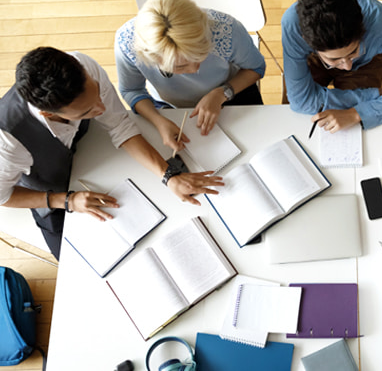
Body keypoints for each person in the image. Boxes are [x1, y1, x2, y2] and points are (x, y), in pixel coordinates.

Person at [0, 47, 223, 260]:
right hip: (51, 189)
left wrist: (169, 176)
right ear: (48, 114)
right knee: (81, 261)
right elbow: (3, 196)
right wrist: (68, 201)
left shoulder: (83, 65)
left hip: (90, 150)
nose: (102, 108)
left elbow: (119, 126)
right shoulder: (8, 141)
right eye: (88, 111)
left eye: (97, 93)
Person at [115, 0, 266, 150]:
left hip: (233, 92)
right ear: (152, 58)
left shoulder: (226, 30)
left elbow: (256, 67)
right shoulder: (127, 45)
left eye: (202, 54)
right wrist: (158, 121)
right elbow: (131, 90)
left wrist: (221, 93)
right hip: (168, 107)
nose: (195, 69)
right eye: (179, 67)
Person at [281, 0, 382, 132]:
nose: (347, 67)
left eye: (352, 52)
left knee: (360, 129)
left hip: (366, 62)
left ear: (362, 31)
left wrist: (355, 113)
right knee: (294, 117)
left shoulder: (381, 23)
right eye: (334, 59)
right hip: (312, 61)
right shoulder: (292, 26)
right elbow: (300, 102)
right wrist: (377, 95)